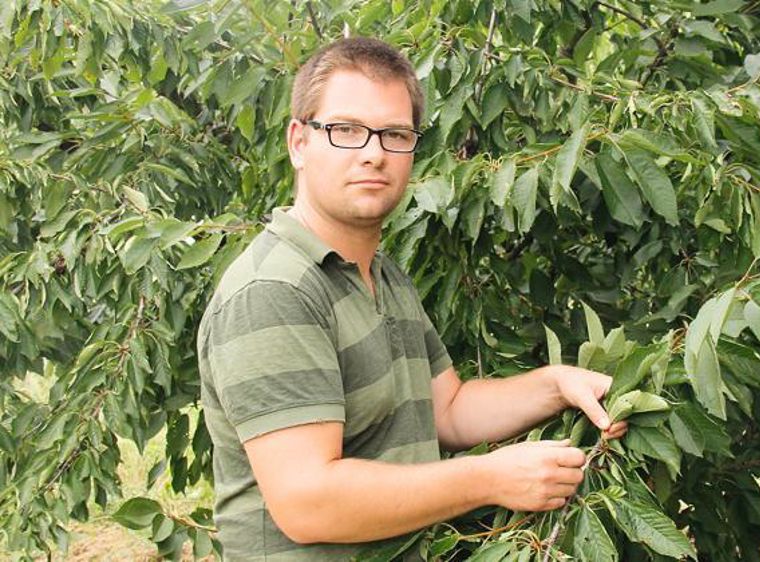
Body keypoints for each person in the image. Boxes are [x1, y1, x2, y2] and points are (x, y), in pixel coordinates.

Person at [197, 36, 627, 560]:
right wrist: (489, 478)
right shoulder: (275, 291)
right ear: (299, 142)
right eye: (346, 130)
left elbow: (446, 409)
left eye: (394, 134)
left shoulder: (380, 272)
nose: (374, 153)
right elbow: (308, 502)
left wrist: (557, 385)